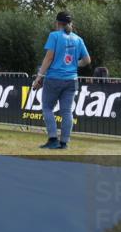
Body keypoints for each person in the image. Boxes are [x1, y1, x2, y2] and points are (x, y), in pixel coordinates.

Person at [33, 11, 91, 150]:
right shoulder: (78, 39)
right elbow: (87, 60)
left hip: (54, 78)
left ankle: (53, 139)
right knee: (66, 112)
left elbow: (48, 58)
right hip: (71, 80)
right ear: (70, 24)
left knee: (47, 108)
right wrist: (74, 65)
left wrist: (39, 77)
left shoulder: (54, 36)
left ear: (57, 23)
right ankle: (64, 143)